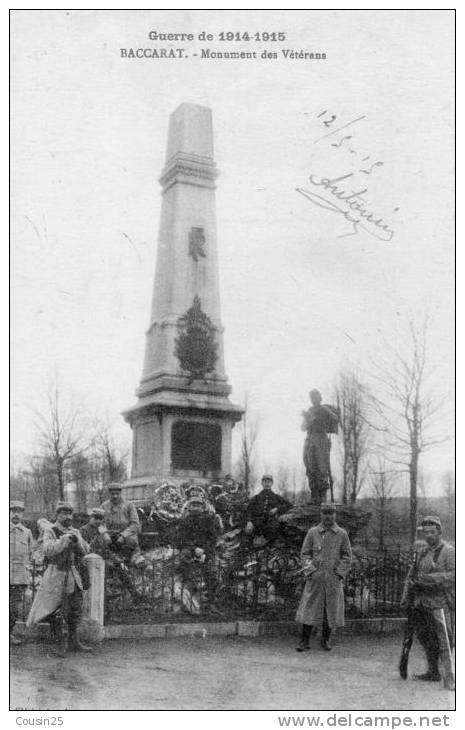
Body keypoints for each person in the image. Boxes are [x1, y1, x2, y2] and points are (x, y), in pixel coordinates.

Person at [27, 502, 91, 656]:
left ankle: (73, 641)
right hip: (56, 574)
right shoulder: (50, 531)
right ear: (57, 515)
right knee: (55, 610)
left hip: (73, 574)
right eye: (64, 513)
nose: (68, 517)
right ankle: (57, 644)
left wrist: (77, 541)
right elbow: (48, 550)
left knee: (74, 608)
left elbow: (86, 550)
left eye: (70, 514)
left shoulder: (75, 530)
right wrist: (64, 540)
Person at [406, 516, 455, 690]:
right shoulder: (422, 551)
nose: (429, 535)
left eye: (432, 532)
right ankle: (433, 672)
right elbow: (413, 574)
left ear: (440, 532)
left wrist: (429, 579)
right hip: (422, 602)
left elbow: (454, 575)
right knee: (425, 638)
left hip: (440, 603)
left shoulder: (449, 551)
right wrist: (408, 595)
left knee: (445, 641)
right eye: (426, 532)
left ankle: (451, 678)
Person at [295, 502, 352, 652]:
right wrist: (311, 571)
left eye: (331, 513)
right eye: (325, 513)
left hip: (333, 579)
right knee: (309, 610)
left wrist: (339, 573)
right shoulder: (313, 532)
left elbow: (347, 556)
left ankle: (325, 639)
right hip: (316, 579)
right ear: (321, 514)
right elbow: (305, 554)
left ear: (335, 514)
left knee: (330, 612)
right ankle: (304, 641)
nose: (328, 516)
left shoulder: (342, 534)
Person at [302, 389, 339, 504]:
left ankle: (322, 497)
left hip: (321, 438)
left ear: (320, 397)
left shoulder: (325, 408)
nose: (314, 399)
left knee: (322, 467)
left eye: (316, 396)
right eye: (312, 397)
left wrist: (326, 411)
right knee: (310, 466)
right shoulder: (310, 410)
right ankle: (314, 496)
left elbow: (336, 418)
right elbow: (303, 427)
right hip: (310, 438)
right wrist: (308, 419)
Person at [101, 482, 143, 564]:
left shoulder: (129, 505)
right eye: (112, 494)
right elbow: (101, 523)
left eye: (117, 493)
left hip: (127, 536)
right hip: (110, 537)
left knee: (128, 552)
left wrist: (123, 536)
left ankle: (127, 564)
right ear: (109, 494)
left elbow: (135, 524)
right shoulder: (104, 506)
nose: (115, 496)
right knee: (102, 548)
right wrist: (105, 534)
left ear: (121, 493)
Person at [10, 500, 33, 644]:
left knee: (13, 608)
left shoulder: (27, 533)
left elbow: (31, 553)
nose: (16, 514)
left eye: (19, 511)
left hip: (19, 577)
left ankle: (9, 634)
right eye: (13, 511)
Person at [245, 474, 292, 542]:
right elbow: (248, 510)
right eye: (265, 481)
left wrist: (277, 508)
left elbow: (289, 505)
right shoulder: (256, 497)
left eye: (269, 482)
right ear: (262, 483)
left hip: (270, 523)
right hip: (256, 523)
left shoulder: (276, 497)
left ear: (272, 483)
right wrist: (249, 522)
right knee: (247, 535)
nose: (267, 484)